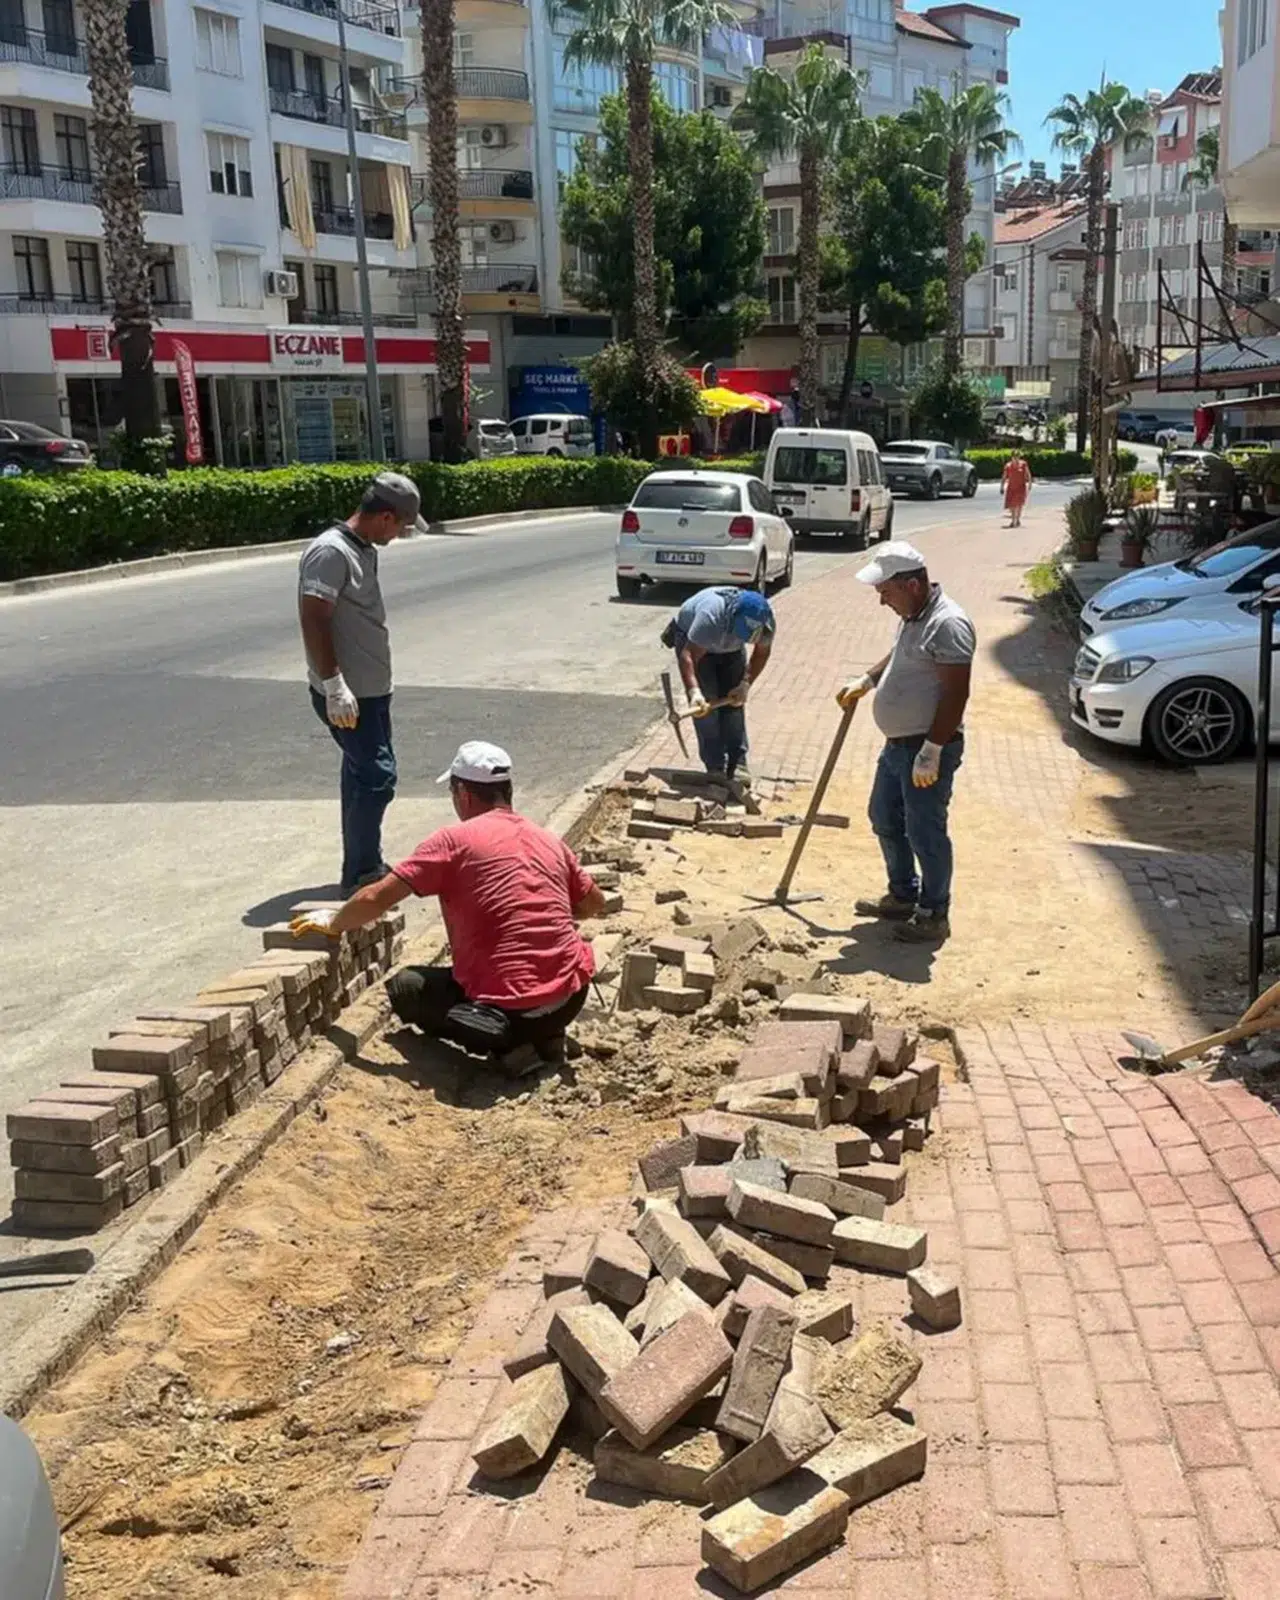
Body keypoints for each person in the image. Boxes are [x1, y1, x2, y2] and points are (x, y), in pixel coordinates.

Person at [290, 741, 606, 1071]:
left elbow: (375, 898)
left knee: (405, 988)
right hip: (570, 1000)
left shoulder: (452, 842)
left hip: (506, 1016)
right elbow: (593, 903)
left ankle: (515, 1048)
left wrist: (335, 922)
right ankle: (547, 1037)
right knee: (524, 992)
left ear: (464, 794)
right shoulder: (547, 839)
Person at [836, 541, 975, 944]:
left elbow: (956, 694)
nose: (882, 601)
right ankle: (903, 894)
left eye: (886, 592)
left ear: (912, 584)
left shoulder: (948, 623)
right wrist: (868, 679)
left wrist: (932, 751)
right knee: (884, 817)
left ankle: (934, 913)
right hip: (898, 746)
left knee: (924, 831)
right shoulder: (915, 615)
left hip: (927, 748)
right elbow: (899, 654)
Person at [298, 472, 427, 897]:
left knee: (360, 776)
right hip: (346, 695)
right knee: (377, 777)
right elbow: (313, 616)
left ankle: (360, 868)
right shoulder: (330, 553)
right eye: (403, 526)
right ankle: (364, 869)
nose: (402, 534)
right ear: (385, 516)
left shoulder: (362, 549)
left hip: (370, 693)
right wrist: (333, 683)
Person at [669, 586, 776, 783]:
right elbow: (688, 656)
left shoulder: (766, 621)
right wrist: (694, 692)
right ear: (733, 619)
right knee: (705, 708)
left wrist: (745, 684)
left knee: (734, 704)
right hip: (694, 644)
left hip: (731, 651)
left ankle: (738, 764)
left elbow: (762, 653)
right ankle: (715, 766)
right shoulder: (711, 616)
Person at [1001, 449, 1032, 528]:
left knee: (1019, 504)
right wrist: (1002, 486)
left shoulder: (1023, 464)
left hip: (1021, 487)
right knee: (1011, 505)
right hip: (1011, 487)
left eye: (1017, 456)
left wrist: (1030, 484)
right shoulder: (1008, 466)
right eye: (1014, 456)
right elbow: (1004, 477)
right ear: (1011, 457)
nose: (1016, 458)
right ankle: (1013, 519)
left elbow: (1028, 474)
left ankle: (1016, 520)